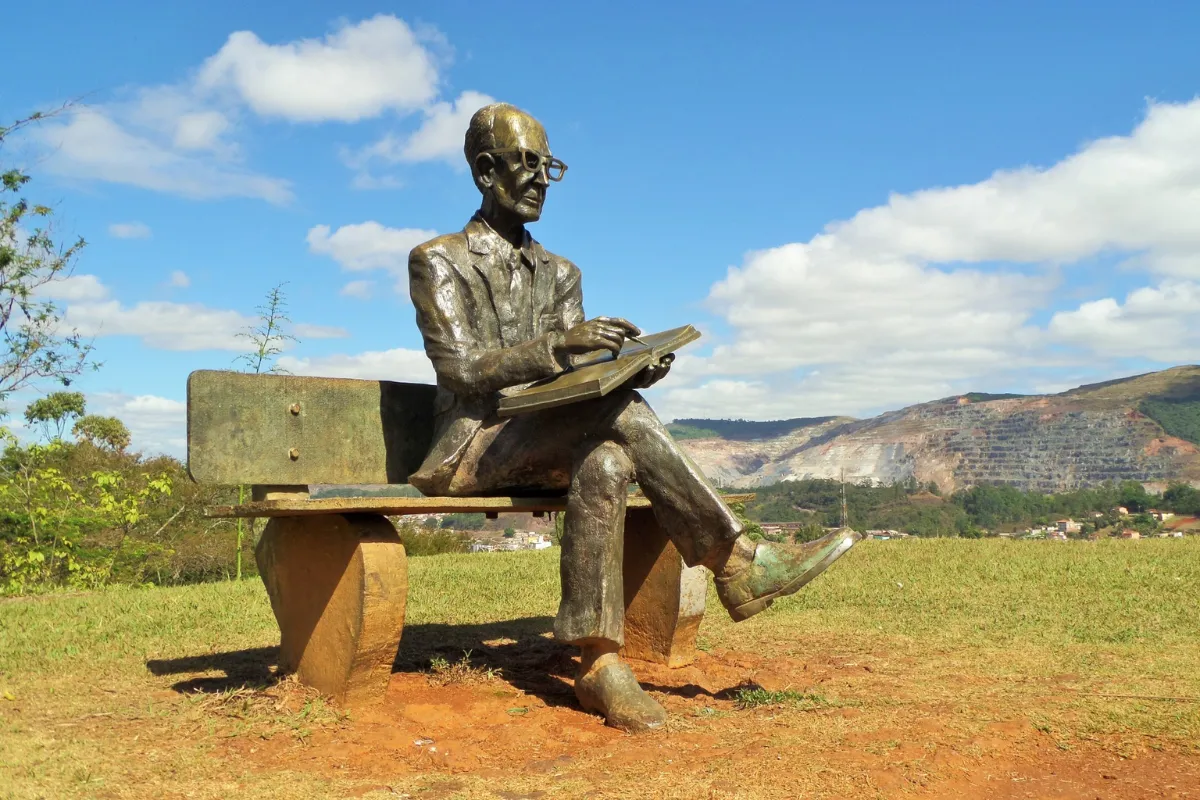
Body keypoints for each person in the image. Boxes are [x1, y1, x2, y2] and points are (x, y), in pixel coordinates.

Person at [407, 102, 860, 731]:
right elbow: (460, 370)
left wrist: (626, 369)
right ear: (486, 172)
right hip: (476, 447)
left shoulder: (562, 273)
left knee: (610, 456)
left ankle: (599, 666)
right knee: (617, 423)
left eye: (550, 167)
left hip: (550, 442)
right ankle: (738, 564)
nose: (542, 179)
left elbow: (566, 384)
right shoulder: (438, 260)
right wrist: (560, 346)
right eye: (528, 164)